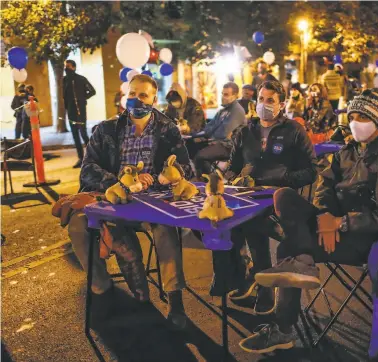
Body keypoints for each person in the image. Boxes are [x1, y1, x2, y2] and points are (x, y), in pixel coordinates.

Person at [239, 90, 378, 361]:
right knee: (283, 196)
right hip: (330, 228)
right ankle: (302, 266)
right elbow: (324, 185)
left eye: (363, 117)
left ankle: (285, 322)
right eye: (352, 116)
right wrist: (323, 216)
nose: (356, 122)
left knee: (288, 248)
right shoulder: (347, 151)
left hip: (362, 238)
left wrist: (340, 223)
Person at [74, 74, 192, 328]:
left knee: (165, 231)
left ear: (154, 99)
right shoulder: (106, 129)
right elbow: (87, 169)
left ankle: (175, 300)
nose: (136, 100)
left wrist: (163, 176)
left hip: (153, 203)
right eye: (132, 94)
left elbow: (185, 167)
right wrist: (116, 180)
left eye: (143, 95)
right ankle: (101, 288)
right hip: (116, 200)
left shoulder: (167, 129)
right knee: (77, 225)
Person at [211, 80, 317, 315]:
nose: (264, 105)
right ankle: (240, 276)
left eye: (271, 100)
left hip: (279, 202)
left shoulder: (294, 131)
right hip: (247, 196)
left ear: (282, 104)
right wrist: (226, 177)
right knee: (220, 220)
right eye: (261, 99)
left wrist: (285, 176)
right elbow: (234, 167)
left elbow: (312, 171)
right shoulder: (246, 132)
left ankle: (261, 285)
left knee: (251, 223)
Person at [193, 82, 246, 176]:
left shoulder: (237, 110)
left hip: (228, 146)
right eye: (222, 93)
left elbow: (224, 132)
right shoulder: (223, 110)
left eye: (226, 94)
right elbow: (208, 127)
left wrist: (211, 136)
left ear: (235, 95)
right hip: (218, 143)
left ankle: (212, 181)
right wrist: (199, 135)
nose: (222, 96)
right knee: (191, 146)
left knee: (200, 157)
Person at [63, 60, 97, 168]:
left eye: (68, 66)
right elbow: (64, 95)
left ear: (73, 67)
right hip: (71, 111)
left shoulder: (81, 79)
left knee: (83, 133)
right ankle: (80, 158)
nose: (66, 68)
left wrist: (82, 99)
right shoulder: (64, 80)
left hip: (80, 111)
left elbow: (92, 91)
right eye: (65, 66)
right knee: (75, 135)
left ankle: (92, 157)